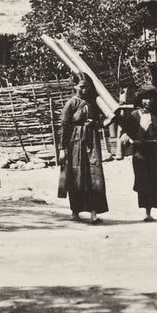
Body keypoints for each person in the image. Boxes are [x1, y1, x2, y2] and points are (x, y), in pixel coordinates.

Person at [113, 85, 157, 222]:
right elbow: (125, 135)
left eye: (151, 98)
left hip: (156, 152)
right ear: (140, 100)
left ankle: (152, 210)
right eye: (145, 98)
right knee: (143, 181)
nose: (148, 101)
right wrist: (132, 140)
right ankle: (146, 212)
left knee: (156, 180)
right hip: (141, 153)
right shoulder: (134, 116)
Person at [59, 74, 109, 224]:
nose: (84, 89)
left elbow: (103, 120)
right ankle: (75, 211)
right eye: (81, 86)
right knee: (76, 176)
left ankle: (94, 213)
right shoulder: (71, 103)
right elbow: (64, 126)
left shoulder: (94, 103)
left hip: (92, 141)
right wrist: (62, 148)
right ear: (75, 87)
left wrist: (96, 122)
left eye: (86, 86)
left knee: (94, 175)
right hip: (75, 142)